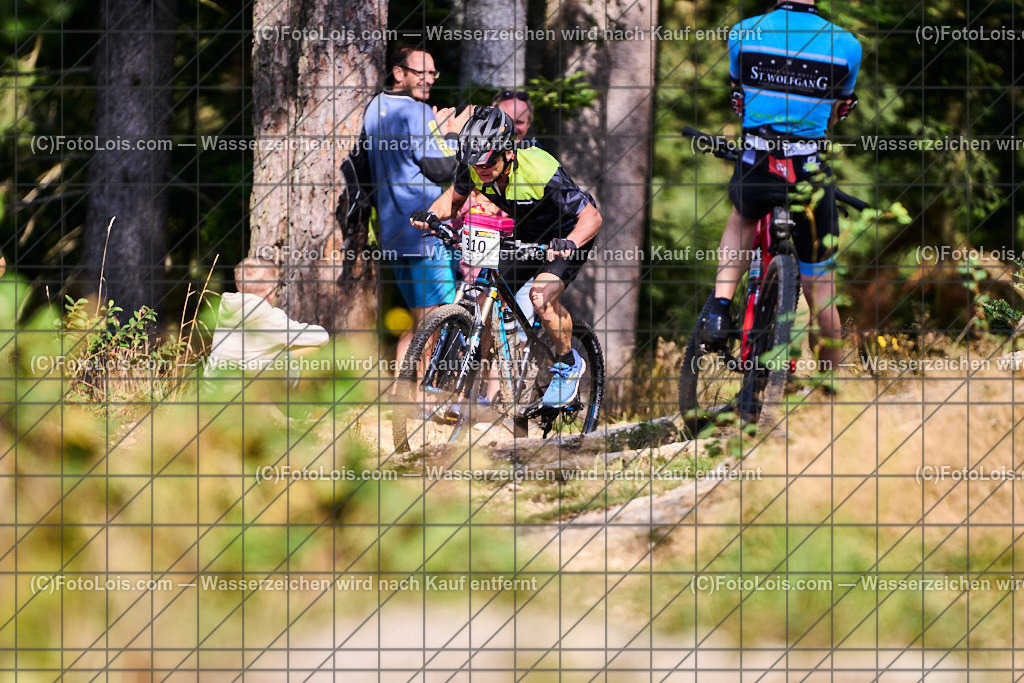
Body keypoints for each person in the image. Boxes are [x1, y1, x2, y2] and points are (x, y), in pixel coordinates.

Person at [699, 0, 861, 375]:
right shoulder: (848, 45)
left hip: (757, 164)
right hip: (808, 175)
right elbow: (840, 109)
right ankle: (829, 389)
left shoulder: (744, 32)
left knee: (741, 219)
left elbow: (739, 98)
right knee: (820, 288)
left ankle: (720, 309)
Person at [411, 107, 602, 408]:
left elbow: (591, 217)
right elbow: (453, 199)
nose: (481, 170)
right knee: (487, 300)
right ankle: (472, 391)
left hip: (566, 234)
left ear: (509, 153)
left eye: (488, 162)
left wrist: (569, 243)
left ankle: (567, 363)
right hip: (526, 235)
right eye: (475, 163)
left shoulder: (540, 169)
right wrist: (432, 215)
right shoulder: (475, 163)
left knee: (541, 297)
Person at [362, 47, 473, 370]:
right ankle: (418, 400)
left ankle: (403, 398)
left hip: (394, 233)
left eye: (432, 73)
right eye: (420, 73)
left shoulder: (375, 108)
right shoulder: (417, 111)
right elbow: (440, 168)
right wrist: (451, 132)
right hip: (426, 233)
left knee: (416, 321)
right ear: (399, 73)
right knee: (435, 320)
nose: (428, 80)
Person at [207, 256, 329, 370]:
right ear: (270, 291)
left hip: (214, 387)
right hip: (244, 389)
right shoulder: (268, 316)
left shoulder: (227, 308)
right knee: (311, 350)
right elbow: (322, 337)